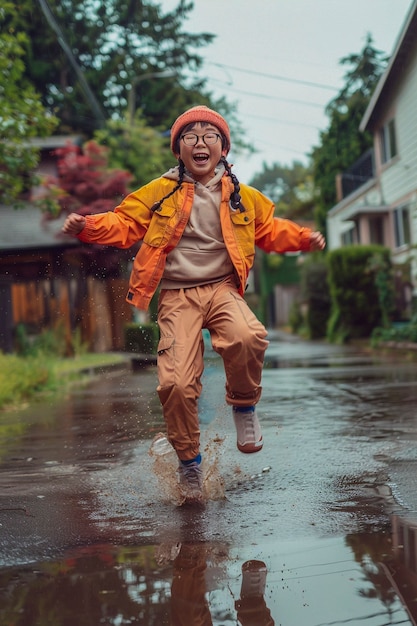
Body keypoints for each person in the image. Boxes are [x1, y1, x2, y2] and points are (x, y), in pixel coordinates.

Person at [62, 105, 325, 503]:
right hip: (177, 296)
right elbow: (124, 223)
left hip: (222, 289)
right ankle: (189, 465)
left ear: (223, 148)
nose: (200, 142)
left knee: (248, 336)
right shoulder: (159, 191)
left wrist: (304, 238)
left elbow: (270, 230)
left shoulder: (242, 196)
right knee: (176, 383)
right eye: (190, 136)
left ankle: (244, 407)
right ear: (178, 148)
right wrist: (88, 225)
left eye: (209, 135)